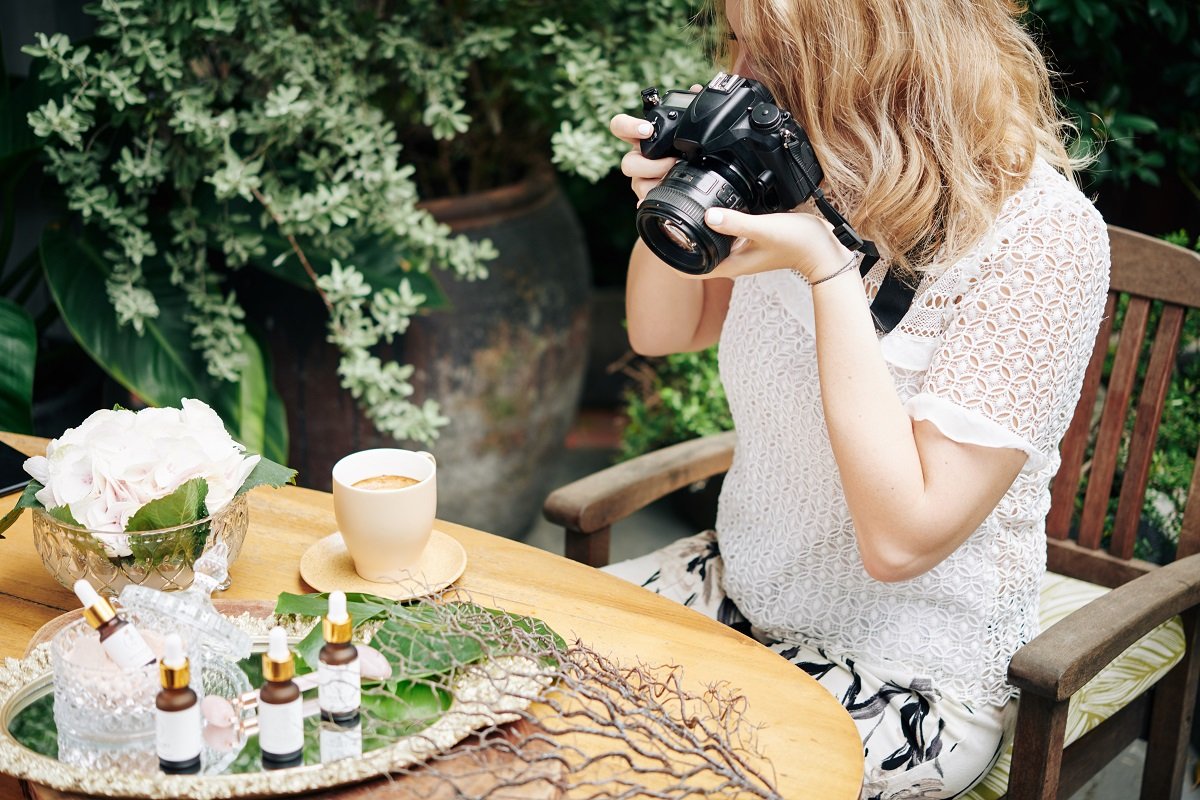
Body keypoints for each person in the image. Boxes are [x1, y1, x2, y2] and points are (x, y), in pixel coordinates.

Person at [606, 0, 1111, 797]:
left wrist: (828, 273)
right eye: (737, 44)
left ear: (875, 55)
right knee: (524, 693)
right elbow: (661, 330)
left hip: (901, 679)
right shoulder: (786, 163)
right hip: (734, 590)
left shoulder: (1044, 240)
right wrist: (671, 198)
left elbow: (901, 543)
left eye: (772, 51)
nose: (736, 77)